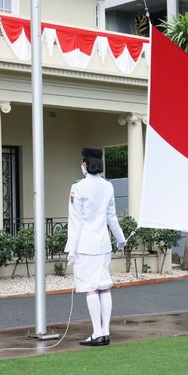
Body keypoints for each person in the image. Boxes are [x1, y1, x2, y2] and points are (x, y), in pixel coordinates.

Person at [65, 148, 126, 346]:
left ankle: (97, 332)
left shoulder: (78, 187)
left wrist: (71, 249)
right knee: (104, 287)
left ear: (85, 164)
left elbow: (75, 221)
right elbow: (111, 217)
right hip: (103, 244)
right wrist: (121, 238)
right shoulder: (108, 186)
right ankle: (105, 331)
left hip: (85, 245)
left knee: (91, 288)